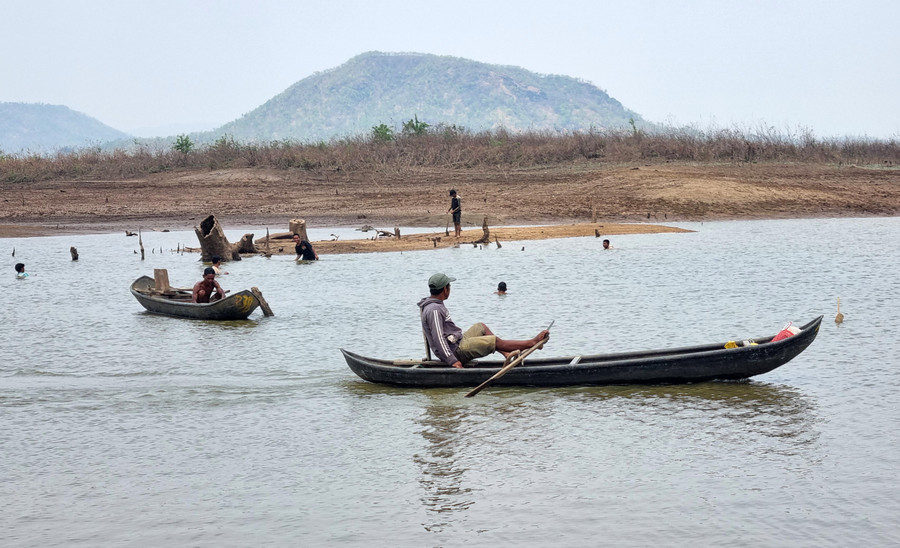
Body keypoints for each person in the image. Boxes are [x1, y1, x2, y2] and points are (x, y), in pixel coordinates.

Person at [418, 273, 549, 368]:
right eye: (449, 286)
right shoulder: (434, 309)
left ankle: (505, 352)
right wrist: (452, 361)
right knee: (493, 341)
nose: (450, 289)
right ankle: (532, 342)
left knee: (481, 327)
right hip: (455, 351)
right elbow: (439, 339)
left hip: (456, 341)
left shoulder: (435, 305)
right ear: (445, 289)